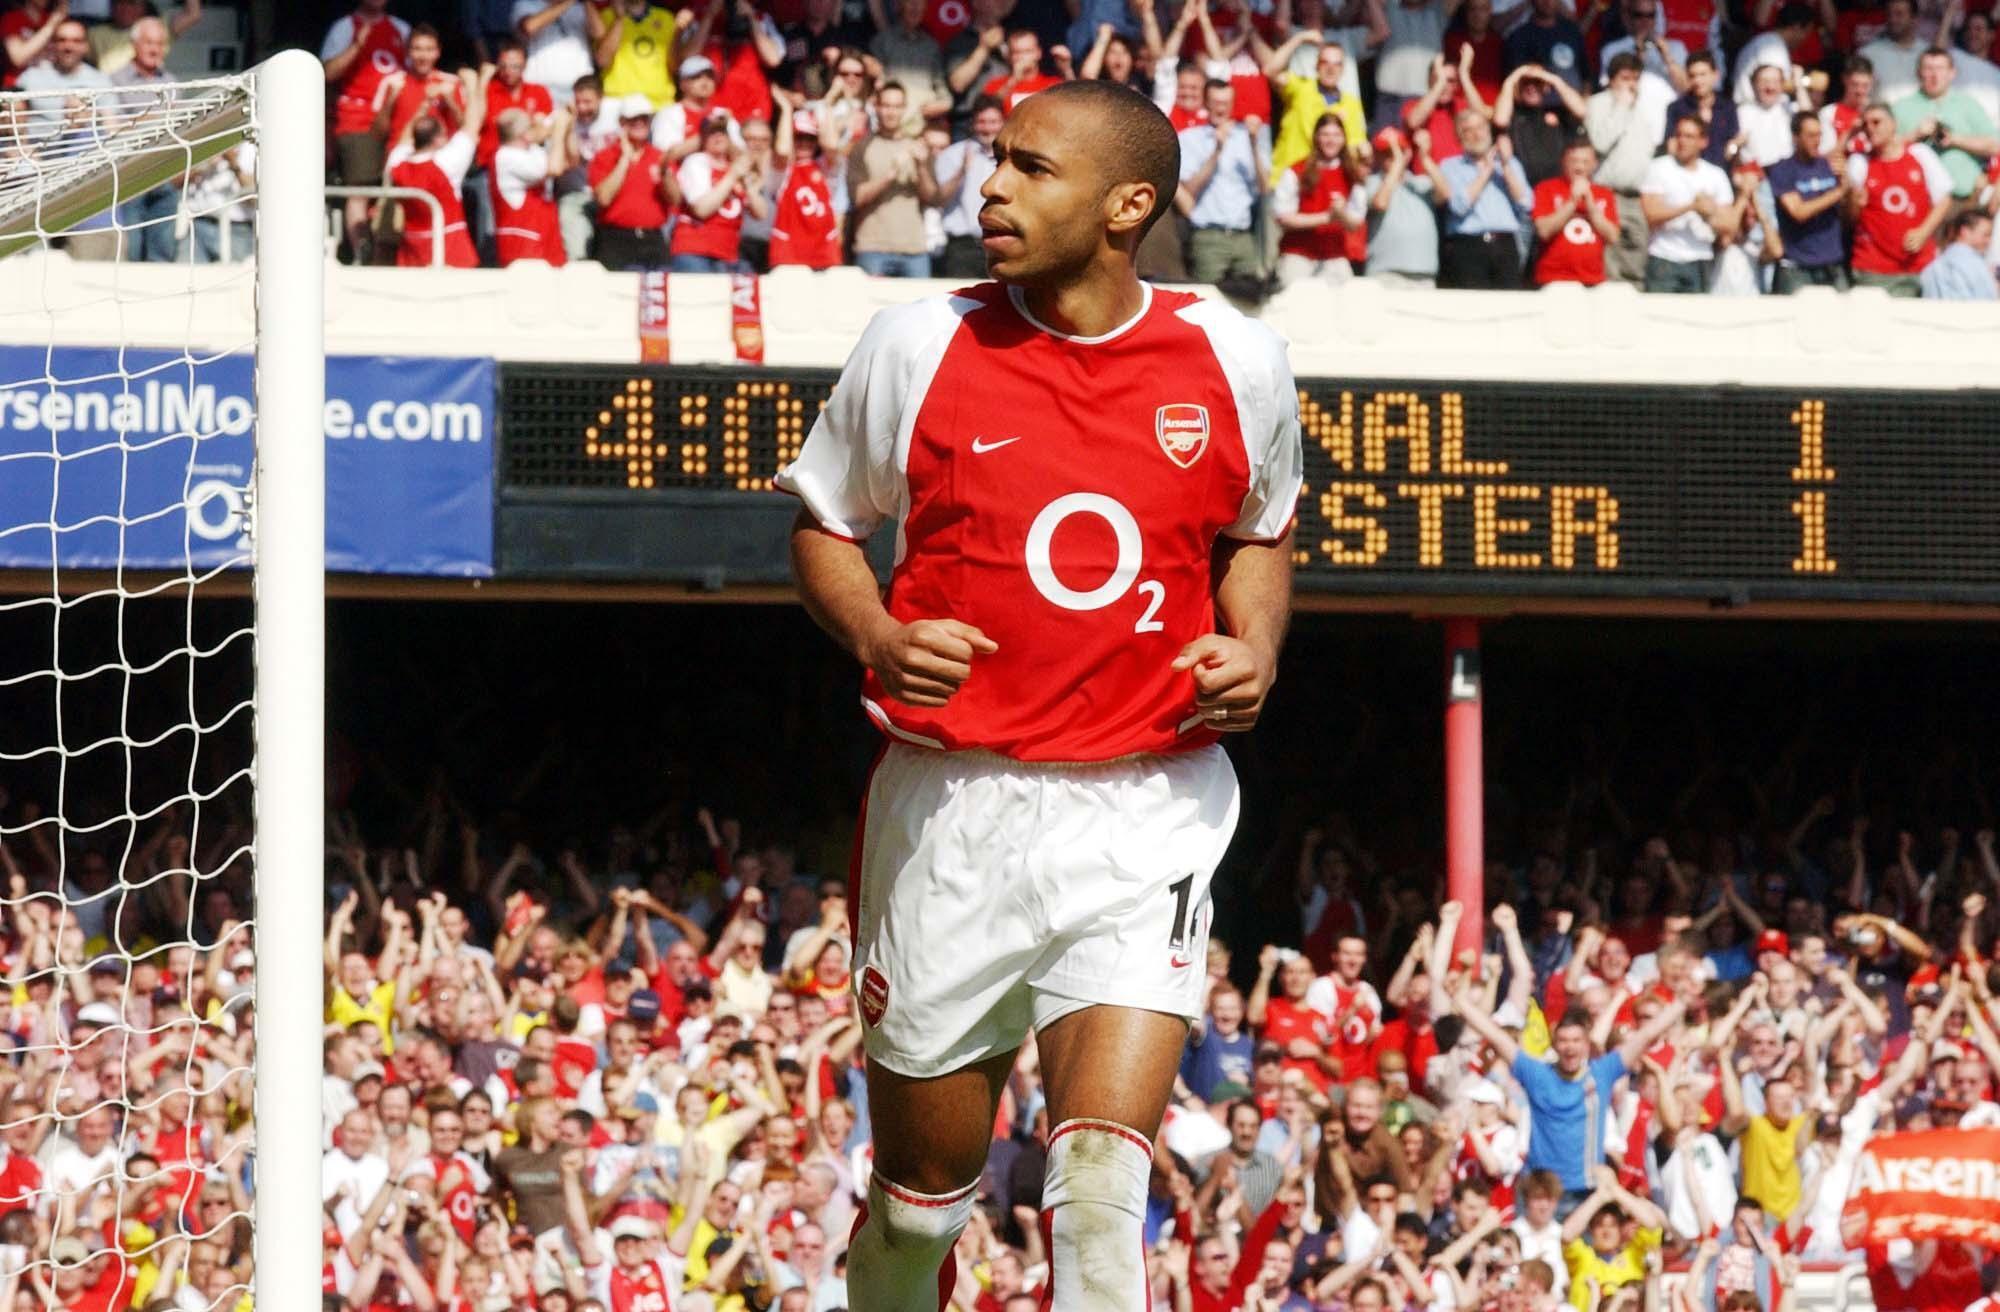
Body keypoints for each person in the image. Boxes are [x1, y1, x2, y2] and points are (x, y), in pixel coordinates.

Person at [775, 76, 1302, 1312]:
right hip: (954, 810)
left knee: (1102, 1197)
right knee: (920, 1203)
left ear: (1127, 206)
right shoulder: (916, 344)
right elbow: (822, 526)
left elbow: (1259, 531)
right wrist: (876, 628)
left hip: (1146, 804)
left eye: (1028, 168)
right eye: (993, 159)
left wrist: (1257, 646)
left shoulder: (1233, 354)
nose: (990, 186)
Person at [321, 0, 412, 262]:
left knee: (399, 187)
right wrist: (357, 46)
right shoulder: (344, 27)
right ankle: (362, 251)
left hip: (398, 121)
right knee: (360, 190)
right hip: (357, 121)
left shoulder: (400, 28)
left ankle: (394, 252)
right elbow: (327, 73)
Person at [1845, 100, 1952, 295]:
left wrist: (1923, 232)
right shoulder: (1860, 163)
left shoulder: (1919, 154)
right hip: (1873, 268)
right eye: (1865, 124)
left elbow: (1944, 199)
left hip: (1919, 265)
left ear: (1893, 124)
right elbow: (1850, 220)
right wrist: (1854, 203)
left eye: (1876, 122)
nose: (1870, 129)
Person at [1588, 52, 1676, 282]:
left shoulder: (1643, 109)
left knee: (1636, 256)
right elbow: (1600, 141)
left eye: (1635, 79)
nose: (1631, 84)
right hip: (1607, 192)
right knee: (1609, 259)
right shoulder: (1598, 103)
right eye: (1626, 78)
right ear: (1612, 79)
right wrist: (1621, 107)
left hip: (1637, 196)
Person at [1176, 79, 1273, 287]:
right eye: (1216, 103)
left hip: (1243, 237)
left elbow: (1265, 188)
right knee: (1208, 301)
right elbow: (1189, 190)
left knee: (1250, 301)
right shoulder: (1189, 139)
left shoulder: (1246, 137)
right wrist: (1217, 151)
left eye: (1226, 103)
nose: (1221, 109)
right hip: (1208, 237)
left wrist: (1254, 144)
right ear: (1206, 103)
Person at [1423, 107, 1533, 288]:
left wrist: (1504, 165)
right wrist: (1486, 171)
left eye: (1480, 127)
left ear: (1488, 130)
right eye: (1468, 130)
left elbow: (1525, 203)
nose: (1476, 134)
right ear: (1459, 137)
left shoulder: (1509, 163)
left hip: (1505, 243)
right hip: (1468, 246)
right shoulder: (1450, 166)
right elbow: (1458, 206)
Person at [1639, 112, 1738, 291]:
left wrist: (1709, 213)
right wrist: (1690, 207)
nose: (1683, 141)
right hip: (1664, 257)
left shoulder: (1715, 175)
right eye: (1679, 135)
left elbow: (1730, 225)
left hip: (1701, 258)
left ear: (1703, 141)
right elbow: (1651, 215)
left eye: (1689, 136)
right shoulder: (1659, 168)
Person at [846, 81, 937, 276]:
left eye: (897, 107)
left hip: (914, 249)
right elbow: (857, 198)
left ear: (904, 109)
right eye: (886, 106)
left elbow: (932, 198)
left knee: (920, 307)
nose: (891, 112)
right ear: (876, 107)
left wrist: (921, 166)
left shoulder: (918, 146)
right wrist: (890, 176)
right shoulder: (862, 147)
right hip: (872, 248)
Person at [107, 16, 179, 262]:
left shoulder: (171, 82)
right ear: (134, 45)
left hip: (165, 175)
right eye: (149, 42)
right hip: (131, 175)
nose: (155, 49)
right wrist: (146, 122)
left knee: (163, 253)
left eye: (160, 43)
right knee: (132, 252)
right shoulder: (115, 81)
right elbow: (111, 129)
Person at [1273, 113, 1367, 286]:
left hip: (1334, 255)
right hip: (1299, 254)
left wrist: (1341, 215)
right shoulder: (1296, 171)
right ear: (1316, 137)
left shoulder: (1352, 175)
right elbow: (1283, 217)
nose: (1331, 141)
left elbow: (1356, 222)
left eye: (1336, 135)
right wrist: (1327, 217)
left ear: (1344, 139)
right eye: (1325, 135)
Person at [1894, 48, 2000, 200]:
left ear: (1952, 73)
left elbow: (1995, 145)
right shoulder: (1901, 107)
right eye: (1929, 69)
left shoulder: (1967, 104)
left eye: (1940, 69)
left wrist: (1954, 139)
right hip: (1918, 200)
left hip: (1964, 198)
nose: (1935, 75)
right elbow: (1884, 150)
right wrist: (1915, 135)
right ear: (1918, 73)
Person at [590, 93, 681, 270]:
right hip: (616, 239)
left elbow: (675, 199)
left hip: (652, 239)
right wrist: (624, 160)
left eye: (644, 119)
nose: (639, 123)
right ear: (622, 123)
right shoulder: (606, 156)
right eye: (633, 119)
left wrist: (664, 174)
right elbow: (603, 198)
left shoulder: (659, 157)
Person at [671, 113, 770, 270]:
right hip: (695, 251)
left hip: (727, 254)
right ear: (703, 138)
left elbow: (761, 213)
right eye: (711, 133)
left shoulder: (736, 166)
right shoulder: (697, 162)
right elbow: (702, 209)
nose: (718, 137)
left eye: (722, 132)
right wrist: (732, 176)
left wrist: (750, 187)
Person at [1264, 37, 1369, 182]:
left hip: (1322, 186)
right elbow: (1270, 70)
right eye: (1325, 62)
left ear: (1343, 70)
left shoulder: (1351, 104)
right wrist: (1299, 40)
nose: (1331, 69)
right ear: (1316, 66)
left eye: (1337, 64)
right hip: (1288, 179)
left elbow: (1356, 146)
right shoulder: (1300, 89)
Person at [1766, 109, 1849, 290]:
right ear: (1796, 137)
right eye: (1810, 135)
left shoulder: (1829, 166)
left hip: (1832, 264)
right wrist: (1839, 192)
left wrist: (1849, 188)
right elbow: (1799, 212)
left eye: (1819, 135)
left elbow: (1848, 212)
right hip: (1798, 268)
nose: (1817, 140)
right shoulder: (1783, 170)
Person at [933, 96, 1006, 276]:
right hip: (962, 247)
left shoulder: (1011, 157)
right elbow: (939, 200)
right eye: (982, 122)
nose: (988, 128)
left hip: (999, 244)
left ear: (1003, 123)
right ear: (973, 124)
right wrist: (961, 172)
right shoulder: (953, 155)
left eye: (993, 122)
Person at [767, 104, 846, 270]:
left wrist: (828, 105)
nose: (804, 143)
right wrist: (787, 110)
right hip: (789, 252)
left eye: (810, 138)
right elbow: (782, 151)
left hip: (823, 251)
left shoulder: (825, 169)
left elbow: (831, 146)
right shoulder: (782, 171)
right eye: (799, 137)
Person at [1531, 138, 1620, 285]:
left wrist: (1591, 204)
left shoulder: (1604, 194)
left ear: (1594, 164)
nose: (1579, 167)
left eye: (1585, 162)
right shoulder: (1546, 188)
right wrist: (1572, 202)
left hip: (1592, 279)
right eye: (1574, 161)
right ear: (1563, 162)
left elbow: (1613, 237)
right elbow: (1544, 231)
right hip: (1553, 277)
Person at [492, 104, 571, 266]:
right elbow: (554, 168)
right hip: (523, 241)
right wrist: (558, 131)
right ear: (523, 134)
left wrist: (566, 130)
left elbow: (568, 161)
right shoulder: (506, 156)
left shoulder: (531, 150)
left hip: (543, 232)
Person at [590, 0, 679, 111]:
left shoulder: (666, 18)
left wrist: (678, 31)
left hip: (659, 103)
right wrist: (619, 19)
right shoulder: (606, 16)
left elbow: (675, 67)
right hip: (618, 102)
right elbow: (602, 61)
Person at [87, 0, 201, 77]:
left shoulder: (157, 28)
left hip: (149, 93)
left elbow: (193, 14)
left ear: (143, 6)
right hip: (111, 100)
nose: (126, 8)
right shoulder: (95, 34)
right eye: (121, 2)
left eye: (132, 3)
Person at [1921, 203, 1998, 295]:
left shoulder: (1932, 267)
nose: (1988, 241)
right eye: (1986, 235)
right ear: (1965, 232)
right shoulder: (1976, 266)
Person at [1859, 0, 1925, 105]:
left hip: (1921, 119)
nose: (1893, 19)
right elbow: (1860, 97)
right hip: (1880, 118)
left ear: (1914, 19)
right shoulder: (1867, 54)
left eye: (1899, 14)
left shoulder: (1926, 52)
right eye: (1889, 14)